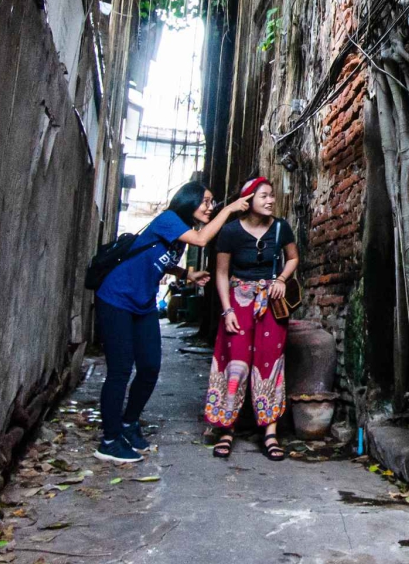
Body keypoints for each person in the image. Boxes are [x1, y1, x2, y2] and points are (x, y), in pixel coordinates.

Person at [93, 181, 252, 464]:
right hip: (116, 298)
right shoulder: (169, 220)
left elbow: (160, 258)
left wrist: (185, 274)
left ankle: (128, 424)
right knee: (120, 370)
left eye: (213, 201)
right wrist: (228, 209)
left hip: (142, 304)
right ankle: (109, 440)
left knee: (150, 367)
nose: (210, 206)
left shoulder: (178, 234)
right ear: (188, 201)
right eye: (205, 201)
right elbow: (203, 240)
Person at [205, 176, 298, 461]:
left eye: (271, 195)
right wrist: (227, 309)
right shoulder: (230, 232)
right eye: (264, 196)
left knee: (270, 363)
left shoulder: (281, 228)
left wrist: (282, 278)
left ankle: (270, 432)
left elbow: (293, 258)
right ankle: (226, 428)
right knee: (235, 362)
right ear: (248, 201)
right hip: (238, 302)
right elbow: (221, 273)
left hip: (270, 303)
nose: (270, 200)